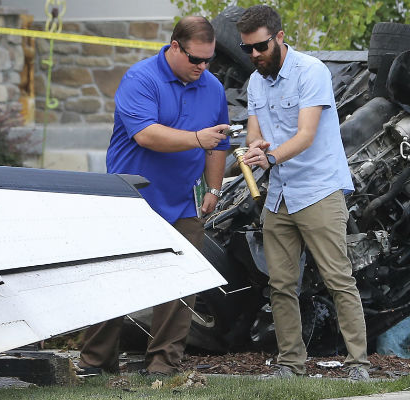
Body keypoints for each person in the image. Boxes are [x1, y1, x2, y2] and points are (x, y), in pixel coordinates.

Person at [78, 16, 230, 376]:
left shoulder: (212, 87)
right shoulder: (140, 79)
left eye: (208, 60)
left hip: (184, 200)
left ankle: (163, 363)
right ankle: (96, 362)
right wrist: (196, 138)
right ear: (174, 47)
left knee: (181, 283)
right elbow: (146, 134)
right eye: (195, 59)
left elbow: (219, 142)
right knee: (115, 278)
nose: (202, 67)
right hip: (131, 198)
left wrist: (213, 188)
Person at [236, 5, 371, 380]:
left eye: (260, 47)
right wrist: (256, 145)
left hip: (319, 190)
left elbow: (307, 135)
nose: (254, 55)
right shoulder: (256, 81)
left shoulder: (311, 71)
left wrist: (271, 156)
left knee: (337, 278)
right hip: (280, 194)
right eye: (247, 49)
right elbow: (254, 130)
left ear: (279, 37)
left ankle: (359, 364)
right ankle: (290, 365)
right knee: (280, 284)